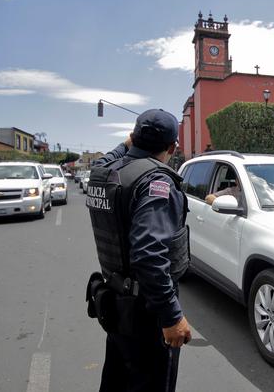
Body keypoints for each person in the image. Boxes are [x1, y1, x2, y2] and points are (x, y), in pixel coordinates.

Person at [86, 109, 192, 392]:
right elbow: (148, 253)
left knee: (117, 381)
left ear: (133, 137)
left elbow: (103, 159)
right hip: (146, 312)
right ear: (172, 147)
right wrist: (171, 316)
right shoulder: (156, 181)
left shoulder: (105, 173)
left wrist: (126, 143)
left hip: (115, 304)